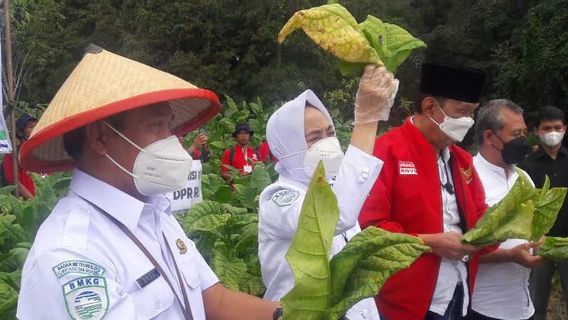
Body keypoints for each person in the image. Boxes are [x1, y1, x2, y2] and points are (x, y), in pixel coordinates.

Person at [17, 46, 278, 320]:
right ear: (100, 138)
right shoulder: (71, 256)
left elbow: (216, 302)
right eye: (157, 127)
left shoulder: (154, 212)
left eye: (170, 126)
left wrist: (299, 314)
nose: (173, 141)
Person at [259, 65, 399, 320]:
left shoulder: (335, 187)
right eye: (314, 137)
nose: (328, 142)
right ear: (287, 147)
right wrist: (367, 120)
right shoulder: (277, 197)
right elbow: (333, 218)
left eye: (330, 132)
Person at [359, 62, 490, 320]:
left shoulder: (462, 160)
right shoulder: (386, 151)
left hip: (458, 293)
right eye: (462, 112)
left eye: (472, 113)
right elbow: (369, 228)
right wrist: (429, 242)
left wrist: (499, 226)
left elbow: (480, 213)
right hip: (405, 302)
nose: (468, 121)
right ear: (430, 107)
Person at [471, 99, 543, 320]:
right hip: (482, 308)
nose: (522, 141)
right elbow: (455, 247)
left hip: (523, 306)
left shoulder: (523, 178)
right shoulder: (468, 177)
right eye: (515, 134)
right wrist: (509, 256)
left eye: (524, 133)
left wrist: (542, 244)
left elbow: (537, 228)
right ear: (489, 136)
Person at [519, 105, 568, 320]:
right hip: (540, 242)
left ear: (565, 128)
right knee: (536, 301)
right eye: (547, 128)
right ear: (537, 131)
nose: (553, 132)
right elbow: (524, 205)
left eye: (557, 127)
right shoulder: (526, 166)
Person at [1, 113, 38, 199]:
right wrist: (33, 200)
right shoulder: (13, 152)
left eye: (36, 126)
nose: (35, 129)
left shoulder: (36, 149)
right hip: (24, 202)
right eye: (30, 127)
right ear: (20, 132)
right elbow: (13, 181)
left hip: (39, 197)